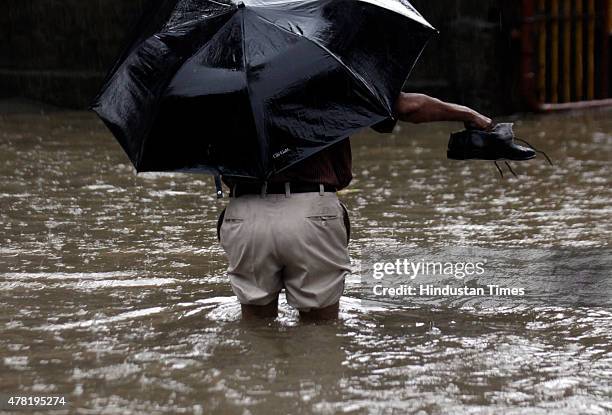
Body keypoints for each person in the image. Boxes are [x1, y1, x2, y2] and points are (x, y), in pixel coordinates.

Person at [218, 92, 492, 321]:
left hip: (245, 212)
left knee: (256, 333)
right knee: (319, 338)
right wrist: (469, 114)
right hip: (311, 210)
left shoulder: (226, 84)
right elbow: (409, 106)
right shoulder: (326, 70)